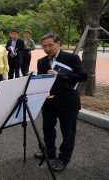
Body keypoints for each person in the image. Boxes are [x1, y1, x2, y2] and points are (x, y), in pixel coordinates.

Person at [34, 33, 88, 172]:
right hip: (48, 101)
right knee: (47, 128)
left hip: (68, 102)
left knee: (68, 132)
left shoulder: (72, 58)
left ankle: (64, 158)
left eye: (50, 45)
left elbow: (82, 76)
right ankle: (50, 151)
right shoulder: (42, 61)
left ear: (58, 44)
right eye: (44, 46)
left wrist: (59, 76)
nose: (47, 49)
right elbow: (41, 78)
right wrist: (43, 91)